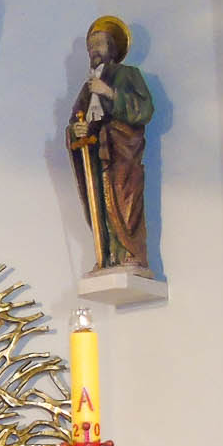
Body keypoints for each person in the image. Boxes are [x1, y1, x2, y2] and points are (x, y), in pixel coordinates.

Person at [65, 15, 154, 272]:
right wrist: (77, 130)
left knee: (125, 202)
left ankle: (130, 254)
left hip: (122, 153)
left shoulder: (128, 75)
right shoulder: (87, 88)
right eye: (90, 46)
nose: (94, 50)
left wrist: (109, 92)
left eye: (99, 44)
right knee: (100, 204)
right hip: (97, 153)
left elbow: (144, 109)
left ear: (112, 48)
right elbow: (77, 121)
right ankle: (106, 256)